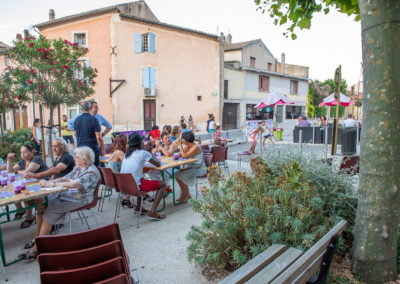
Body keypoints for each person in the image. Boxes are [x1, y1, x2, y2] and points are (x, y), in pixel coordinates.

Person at [18, 146, 101, 260]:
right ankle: (37, 238)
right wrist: (48, 182)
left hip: (79, 199)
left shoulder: (91, 171)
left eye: (76, 157)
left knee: (49, 212)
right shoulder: (79, 168)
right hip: (68, 195)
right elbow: (65, 178)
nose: (74, 158)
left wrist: (52, 185)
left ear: (84, 160)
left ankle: (37, 248)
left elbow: (74, 184)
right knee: (41, 207)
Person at [120, 133, 167, 220]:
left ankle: (138, 207)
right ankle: (152, 212)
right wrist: (149, 153)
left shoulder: (127, 153)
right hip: (135, 187)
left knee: (140, 179)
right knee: (162, 185)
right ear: (140, 143)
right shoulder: (143, 153)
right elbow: (158, 164)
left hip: (124, 187)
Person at [7, 144, 49, 228]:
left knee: (26, 196)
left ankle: (40, 217)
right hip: (32, 186)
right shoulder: (22, 161)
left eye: (25, 152)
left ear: (32, 152)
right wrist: (9, 160)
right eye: (21, 152)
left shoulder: (37, 159)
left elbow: (27, 173)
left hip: (44, 186)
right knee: (21, 193)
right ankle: (29, 217)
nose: (23, 154)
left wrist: (18, 171)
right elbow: (10, 172)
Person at [175, 131, 206, 203]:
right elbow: (180, 154)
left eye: (182, 139)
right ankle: (186, 194)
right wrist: (175, 155)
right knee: (177, 174)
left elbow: (185, 156)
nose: (181, 140)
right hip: (191, 167)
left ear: (185, 141)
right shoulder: (187, 146)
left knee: (182, 175)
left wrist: (180, 145)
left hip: (199, 168)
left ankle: (185, 195)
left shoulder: (196, 147)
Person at [73, 101, 104, 166]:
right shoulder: (94, 119)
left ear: (81, 109)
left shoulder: (77, 119)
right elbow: (98, 137)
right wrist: (102, 149)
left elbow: (75, 134)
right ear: (90, 108)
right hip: (91, 149)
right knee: (94, 168)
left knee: (83, 168)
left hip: (80, 148)